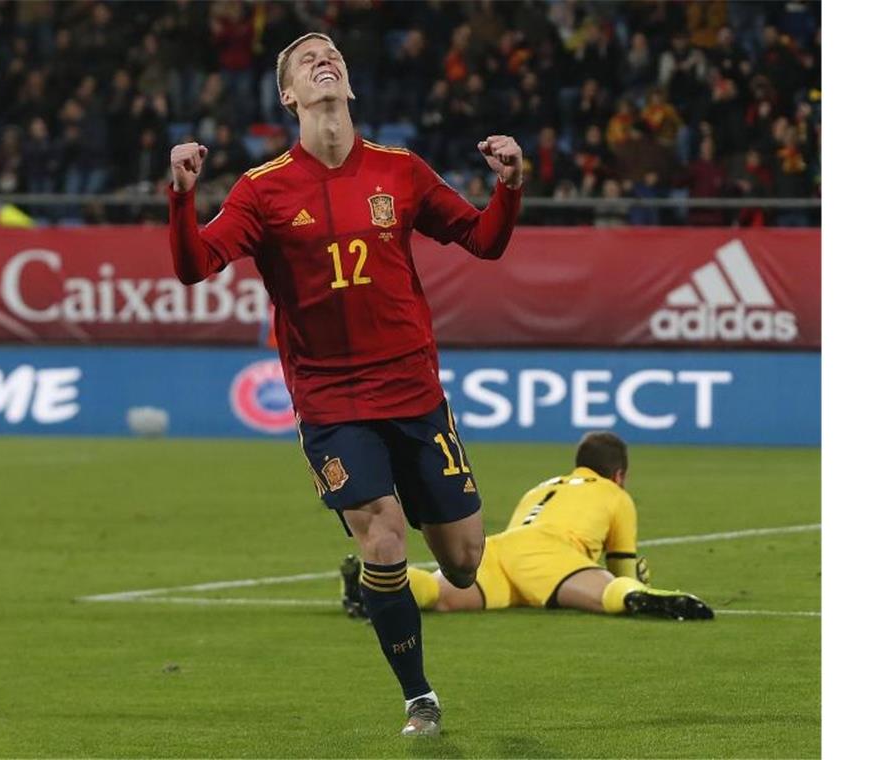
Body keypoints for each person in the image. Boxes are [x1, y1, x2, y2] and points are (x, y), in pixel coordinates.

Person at [167, 32, 524, 737]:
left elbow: (484, 240)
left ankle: (413, 571)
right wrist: (181, 197)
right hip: (332, 402)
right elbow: (194, 265)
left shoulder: (402, 171)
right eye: (306, 60)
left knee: (463, 563)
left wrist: (509, 186)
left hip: (415, 393)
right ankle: (419, 697)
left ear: (350, 87)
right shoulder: (262, 190)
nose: (323, 59)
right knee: (384, 540)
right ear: (289, 96)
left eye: (332, 54)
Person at [341, 432, 714, 621]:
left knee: (441, 595)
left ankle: (376, 584)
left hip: (500, 551)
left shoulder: (542, 486)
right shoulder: (615, 496)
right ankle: (645, 601)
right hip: (552, 558)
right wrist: (637, 583)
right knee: (612, 593)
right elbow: (620, 568)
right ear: (619, 474)